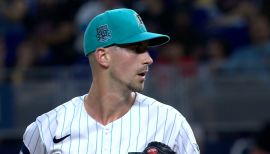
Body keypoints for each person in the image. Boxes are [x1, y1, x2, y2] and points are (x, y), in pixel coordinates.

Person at [20, 8, 200, 154]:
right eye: (137, 48)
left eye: (147, 49)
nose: (148, 59)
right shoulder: (48, 128)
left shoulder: (169, 122)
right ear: (103, 56)